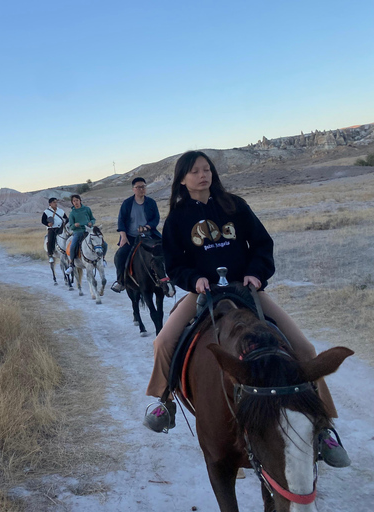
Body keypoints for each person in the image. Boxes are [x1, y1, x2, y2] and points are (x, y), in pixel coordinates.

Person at [142, 150, 350, 467]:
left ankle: (323, 428)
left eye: (207, 169)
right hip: (205, 294)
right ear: (182, 179)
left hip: (246, 289)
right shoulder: (177, 219)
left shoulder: (234, 205)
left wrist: (257, 272)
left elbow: (262, 244)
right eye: (195, 171)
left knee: (305, 348)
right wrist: (195, 279)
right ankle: (166, 400)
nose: (203, 174)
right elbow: (175, 263)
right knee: (163, 341)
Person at [111, 177, 161, 293]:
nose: (141, 189)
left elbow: (156, 218)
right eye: (138, 187)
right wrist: (123, 236)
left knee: (164, 249)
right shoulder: (127, 203)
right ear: (133, 189)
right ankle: (120, 282)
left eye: (143, 187)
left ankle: (168, 278)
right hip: (131, 236)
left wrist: (147, 227)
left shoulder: (151, 202)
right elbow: (121, 221)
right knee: (120, 255)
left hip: (149, 235)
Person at [64, 194, 96, 274]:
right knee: (73, 245)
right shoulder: (72, 213)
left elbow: (93, 219)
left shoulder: (87, 209)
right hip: (78, 232)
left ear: (80, 201)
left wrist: (91, 223)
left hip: (88, 230)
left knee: (102, 243)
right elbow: (71, 226)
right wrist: (75, 225)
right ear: (72, 203)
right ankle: (71, 264)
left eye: (77, 200)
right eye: (74, 201)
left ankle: (102, 259)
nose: (76, 202)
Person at [41, 197, 68, 263]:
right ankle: (50, 255)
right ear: (50, 204)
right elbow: (43, 221)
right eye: (54, 202)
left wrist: (65, 224)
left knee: (68, 237)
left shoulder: (61, 211)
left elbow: (66, 218)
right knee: (50, 240)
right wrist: (48, 224)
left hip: (61, 228)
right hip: (52, 229)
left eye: (56, 202)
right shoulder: (46, 212)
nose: (56, 204)